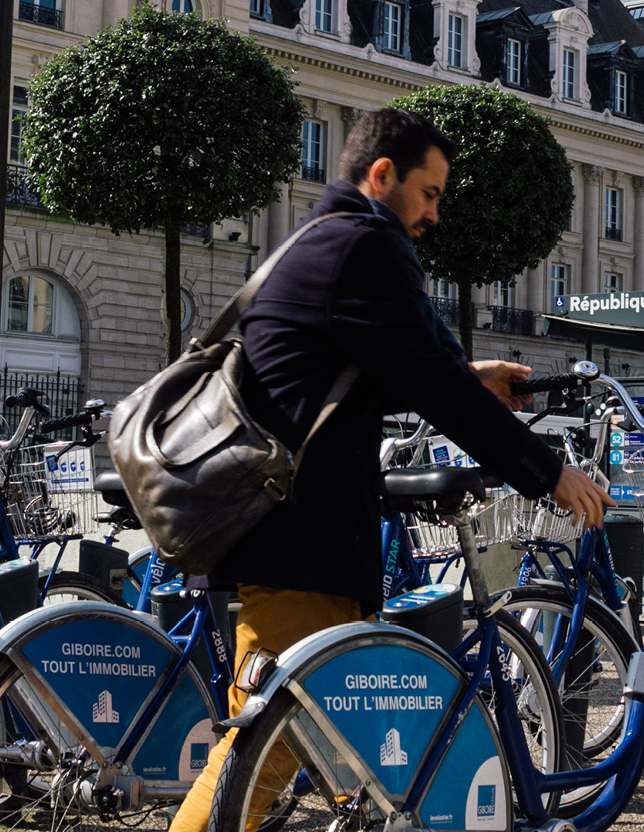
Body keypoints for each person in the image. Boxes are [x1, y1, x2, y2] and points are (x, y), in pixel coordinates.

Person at [167, 108, 613, 832]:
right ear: (382, 177)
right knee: (263, 753)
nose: (435, 213)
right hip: (298, 542)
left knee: (302, 747)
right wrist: (546, 471)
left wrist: (468, 373)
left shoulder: (321, 238)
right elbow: (429, 381)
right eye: (429, 193)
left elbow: (396, 362)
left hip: (294, 538)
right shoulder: (366, 243)